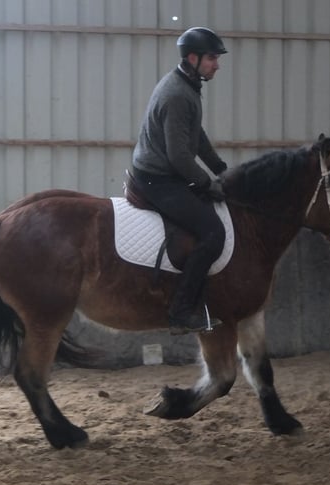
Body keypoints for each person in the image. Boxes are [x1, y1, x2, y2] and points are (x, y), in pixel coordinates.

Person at [131, 27, 229, 335]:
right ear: (193, 57)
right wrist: (207, 183)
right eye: (212, 58)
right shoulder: (177, 94)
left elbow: (195, 135)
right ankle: (181, 311)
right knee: (213, 232)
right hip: (156, 180)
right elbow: (179, 157)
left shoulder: (188, 86)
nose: (217, 65)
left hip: (165, 173)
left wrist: (220, 168)